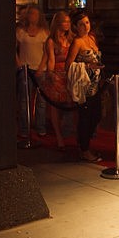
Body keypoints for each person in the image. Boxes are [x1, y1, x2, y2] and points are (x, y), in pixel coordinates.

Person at [65, 10, 104, 162]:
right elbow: (68, 64)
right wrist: (87, 65)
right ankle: (84, 148)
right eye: (81, 24)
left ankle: (84, 143)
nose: (85, 26)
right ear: (75, 26)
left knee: (97, 114)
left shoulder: (92, 39)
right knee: (86, 117)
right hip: (85, 84)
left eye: (87, 23)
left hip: (96, 84)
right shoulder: (77, 42)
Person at [41, 11, 74, 150]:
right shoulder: (51, 41)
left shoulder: (71, 38)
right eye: (63, 21)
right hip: (58, 73)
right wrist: (51, 74)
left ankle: (69, 131)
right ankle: (59, 137)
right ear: (57, 23)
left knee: (71, 105)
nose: (66, 24)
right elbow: (51, 60)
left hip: (71, 73)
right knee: (55, 107)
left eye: (68, 21)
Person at [15, 4, 48, 138]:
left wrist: (41, 67)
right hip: (25, 69)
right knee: (24, 100)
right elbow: (14, 48)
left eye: (35, 14)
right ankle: (24, 127)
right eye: (30, 14)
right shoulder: (21, 31)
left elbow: (46, 51)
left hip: (40, 69)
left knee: (41, 101)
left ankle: (40, 126)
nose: (32, 16)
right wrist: (19, 64)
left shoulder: (44, 32)